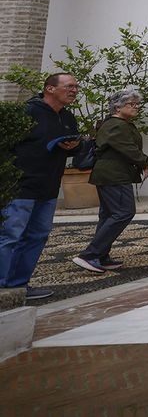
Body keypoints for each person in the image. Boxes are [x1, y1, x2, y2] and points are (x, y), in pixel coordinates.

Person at [1, 73, 82, 303]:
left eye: (76, 87)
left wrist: (74, 146)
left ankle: (18, 284)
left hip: (48, 188)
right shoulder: (28, 113)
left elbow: (72, 149)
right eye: (69, 86)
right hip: (21, 186)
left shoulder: (67, 117)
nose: (74, 90)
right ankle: (1, 285)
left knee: (37, 236)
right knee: (9, 236)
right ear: (50, 89)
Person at [73, 88, 148, 274]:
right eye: (131, 104)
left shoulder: (119, 123)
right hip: (113, 174)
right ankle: (89, 255)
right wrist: (145, 162)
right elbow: (127, 148)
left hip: (113, 173)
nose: (136, 107)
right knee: (124, 212)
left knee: (109, 214)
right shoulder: (116, 125)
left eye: (137, 104)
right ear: (117, 106)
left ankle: (101, 255)